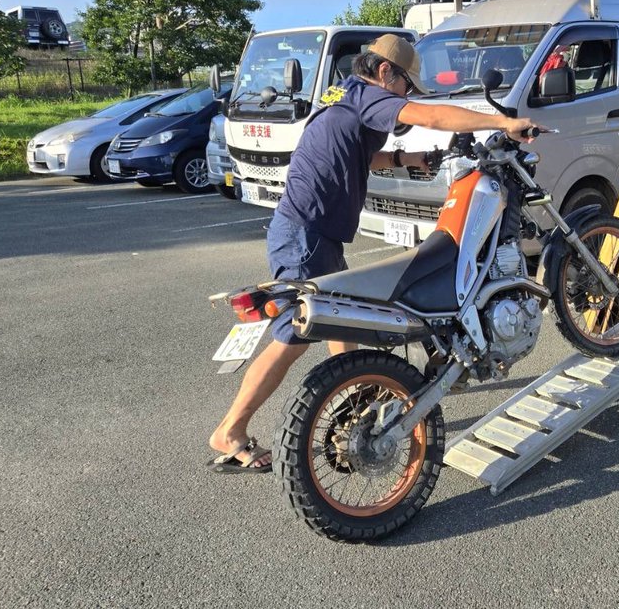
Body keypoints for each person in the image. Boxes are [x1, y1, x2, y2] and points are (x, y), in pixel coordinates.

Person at [208, 34, 540, 473]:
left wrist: (411, 158)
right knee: (293, 335)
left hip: (314, 232)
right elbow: (433, 115)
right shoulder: (369, 94)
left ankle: (355, 405)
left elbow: (358, 156)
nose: (406, 96)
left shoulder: (343, 96)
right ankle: (231, 429)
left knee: (342, 321)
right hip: (305, 235)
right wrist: (498, 123)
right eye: (406, 86)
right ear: (386, 72)